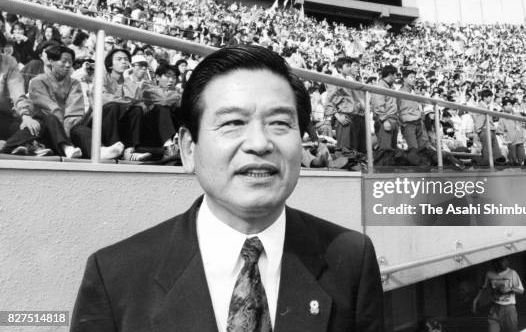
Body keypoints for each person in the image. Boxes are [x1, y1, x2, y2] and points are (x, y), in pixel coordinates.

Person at [71, 45, 384, 332]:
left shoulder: (351, 259)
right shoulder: (115, 276)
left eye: (279, 123)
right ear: (189, 149)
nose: (260, 143)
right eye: (233, 123)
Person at [472, 257, 524, 332]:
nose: (506, 262)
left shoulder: (512, 273)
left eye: (505, 260)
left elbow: (521, 291)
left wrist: (510, 288)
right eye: (502, 261)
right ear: (495, 263)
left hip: (509, 308)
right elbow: (483, 287)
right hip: (495, 308)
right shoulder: (489, 274)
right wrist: (475, 300)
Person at [371, 65, 399, 150]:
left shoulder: (392, 87)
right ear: (390, 74)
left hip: (393, 119)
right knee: (385, 149)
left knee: (393, 149)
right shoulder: (379, 87)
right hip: (384, 120)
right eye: (395, 75)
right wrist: (384, 120)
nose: (396, 77)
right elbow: (378, 106)